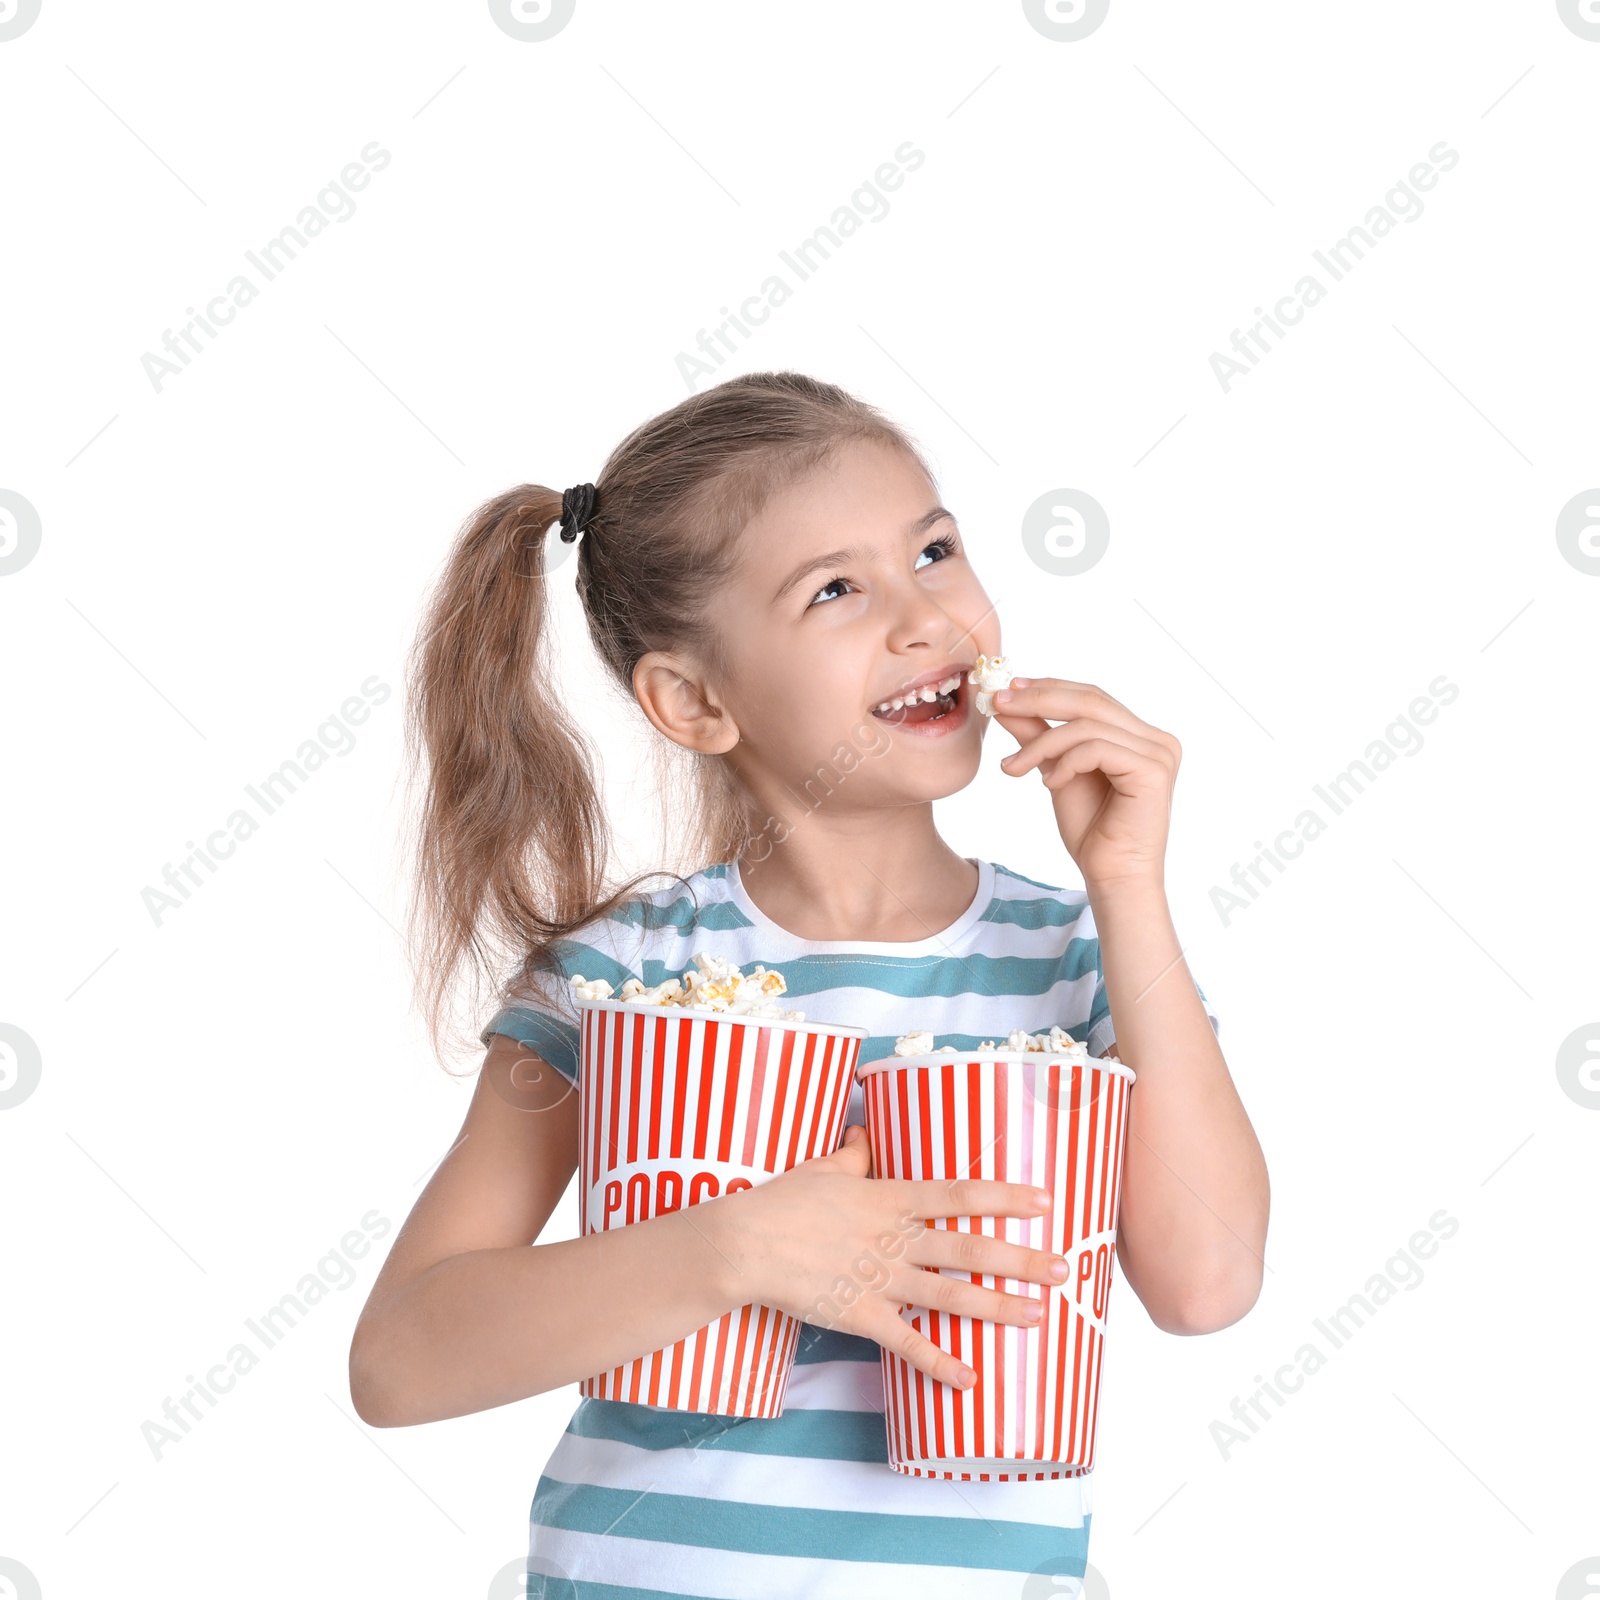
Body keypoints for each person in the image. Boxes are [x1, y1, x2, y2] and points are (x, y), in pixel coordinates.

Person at [348, 370, 1269, 1598]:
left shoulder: (1080, 962)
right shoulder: (622, 975)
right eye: (836, 589)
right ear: (693, 699)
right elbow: (402, 1360)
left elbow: (1207, 1285)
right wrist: (736, 1248)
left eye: (933, 549)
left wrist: (1128, 884)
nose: (922, 616)